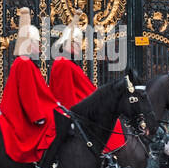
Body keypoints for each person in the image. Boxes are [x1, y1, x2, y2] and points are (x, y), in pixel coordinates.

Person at [0, 8, 66, 168]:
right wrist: (37, 117)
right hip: (24, 114)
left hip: (31, 108)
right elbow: (27, 95)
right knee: (57, 124)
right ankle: (44, 166)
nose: (40, 47)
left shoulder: (25, 62)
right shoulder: (25, 63)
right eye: (37, 43)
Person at [48, 24, 125, 155]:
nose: (80, 46)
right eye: (77, 44)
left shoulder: (68, 63)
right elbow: (66, 96)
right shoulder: (63, 63)